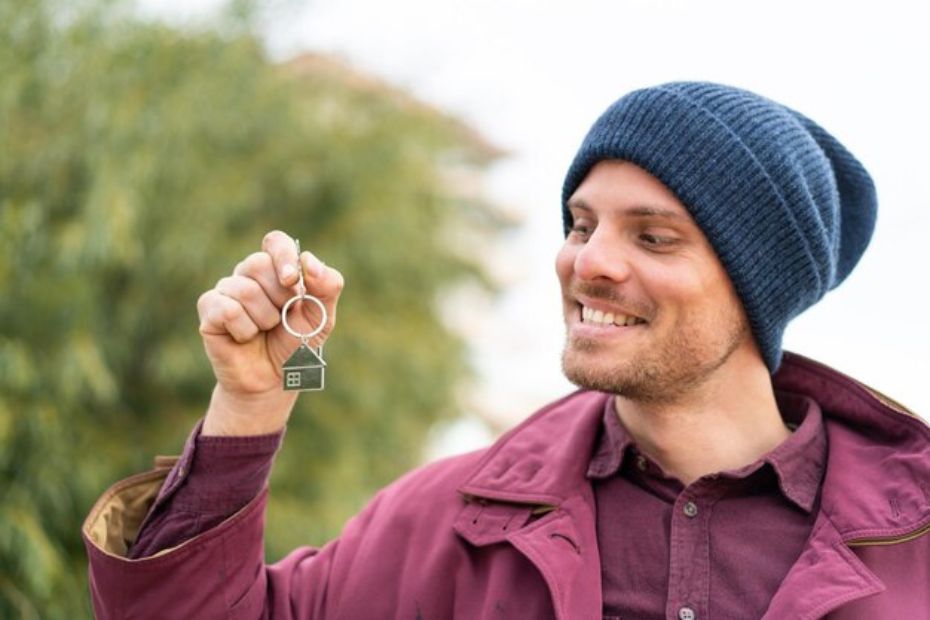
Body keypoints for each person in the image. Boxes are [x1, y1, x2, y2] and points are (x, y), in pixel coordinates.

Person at [83, 82, 930, 619]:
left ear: (757, 289)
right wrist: (246, 410)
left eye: (655, 237)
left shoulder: (913, 540)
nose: (587, 262)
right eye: (582, 223)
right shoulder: (446, 525)